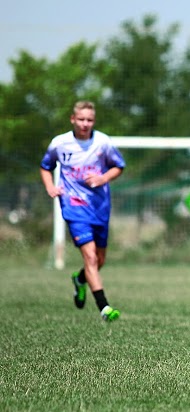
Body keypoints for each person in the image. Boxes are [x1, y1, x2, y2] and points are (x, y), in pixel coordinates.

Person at [40, 100, 125, 322]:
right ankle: (104, 308)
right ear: (73, 119)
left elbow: (119, 166)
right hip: (74, 207)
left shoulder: (103, 142)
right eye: (81, 119)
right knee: (89, 256)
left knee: (99, 260)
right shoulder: (60, 143)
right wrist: (50, 186)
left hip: (99, 208)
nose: (85, 124)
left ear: (93, 121)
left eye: (89, 120)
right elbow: (45, 166)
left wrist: (103, 177)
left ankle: (80, 280)